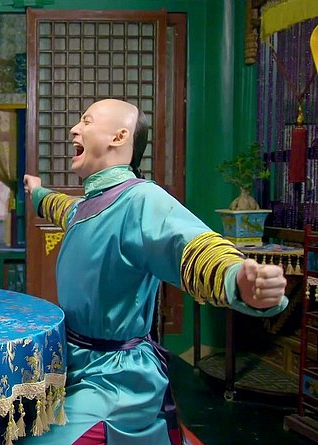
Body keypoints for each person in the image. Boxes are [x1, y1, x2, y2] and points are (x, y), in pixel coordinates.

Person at [20, 98, 288, 445]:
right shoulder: (86, 206)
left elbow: (194, 247)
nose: (74, 129)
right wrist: (37, 191)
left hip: (115, 379)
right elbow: (59, 206)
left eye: (86, 121)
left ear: (119, 136)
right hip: (71, 363)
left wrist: (236, 279)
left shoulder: (142, 199)